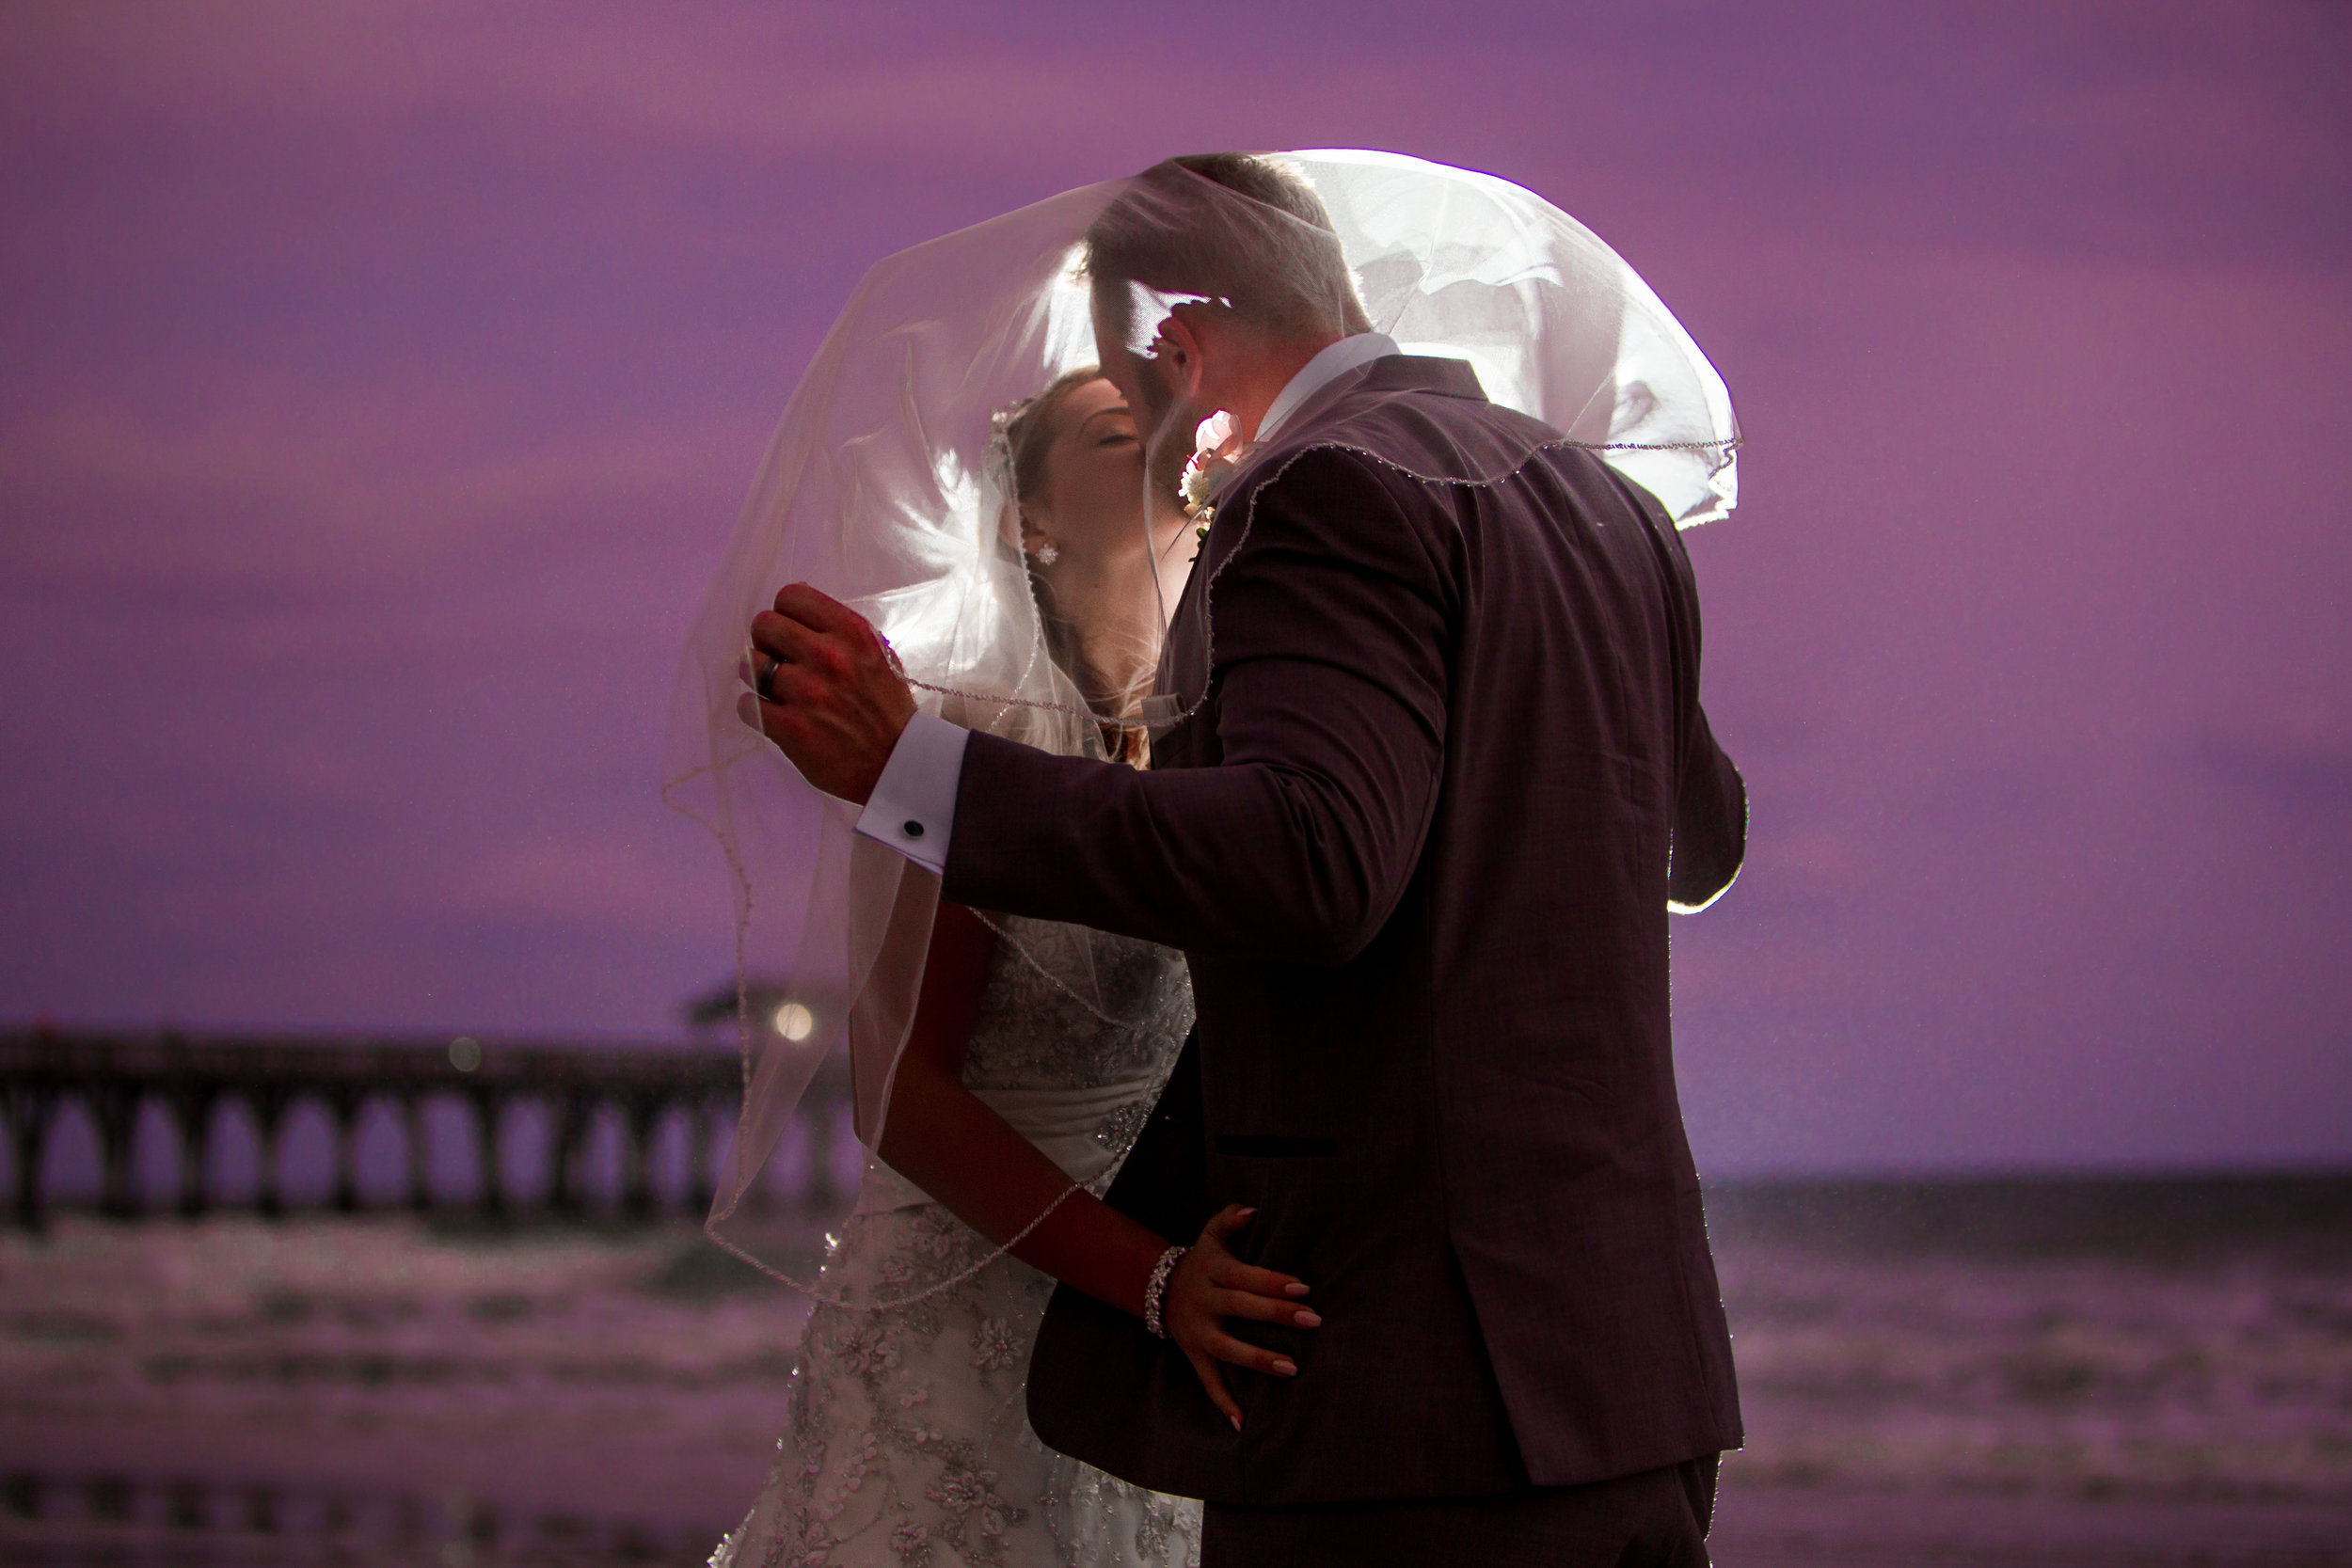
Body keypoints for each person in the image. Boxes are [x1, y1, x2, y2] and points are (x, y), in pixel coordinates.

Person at [734, 152, 1746, 1566]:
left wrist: (907, 772)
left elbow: (1316, 863)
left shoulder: (1322, 490)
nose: (1164, 404)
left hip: (1408, 1392)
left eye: (1151, 356)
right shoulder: (1606, 507)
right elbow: (1701, 841)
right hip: (1629, 1365)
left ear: (1191, 329)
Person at [713, 370, 1293, 1568]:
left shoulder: (1199, 753)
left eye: (1173, 428)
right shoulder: (959, 726)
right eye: (1117, 432)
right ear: (1027, 518)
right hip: (967, 1338)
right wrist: (1153, 1280)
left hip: (1132, 1361)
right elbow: (899, 1096)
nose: (1167, 445)